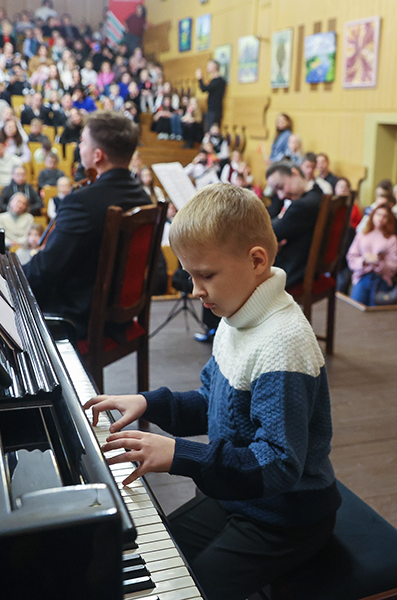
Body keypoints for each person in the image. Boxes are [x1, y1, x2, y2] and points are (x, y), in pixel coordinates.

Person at [83, 184, 340, 600]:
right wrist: (151, 402)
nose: (196, 290)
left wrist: (178, 454)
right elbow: (214, 404)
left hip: (285, 516)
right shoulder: (236, 313)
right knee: (147, 561)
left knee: (185, 591)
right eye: (190, 275)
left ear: (256, 261)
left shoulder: (283, 343)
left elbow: (277, 465)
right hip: (237, 495)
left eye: (206, 275)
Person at [23, 110, 150, 338]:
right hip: (118, 314)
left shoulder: (82, 202)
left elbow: (46, 270)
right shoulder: (143, 198)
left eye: (82, 142)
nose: (79, 147)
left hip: (77, 318)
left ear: (98, 155)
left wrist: (6, 279)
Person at [264, 162, 324, 290]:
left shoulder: (303, 206)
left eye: (280, 187)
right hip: (305, 266)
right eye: (276, 191)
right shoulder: (318, 193)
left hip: (293, 270)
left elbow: (268, 233)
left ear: (295, 173)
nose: (281, 196)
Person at [346, 204, 397, 306]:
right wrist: (364, 260)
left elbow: (394, 265)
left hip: (381, 279)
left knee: (376, 315)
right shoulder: (362, 235)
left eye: (385, 216)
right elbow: (351, 257)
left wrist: (378, 262)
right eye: (378, 214)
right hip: (362, 277)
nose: (380, 218)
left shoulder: (392, 239)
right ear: (373, 215)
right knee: (356, 309)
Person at [195, 59, 226, 132]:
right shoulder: (215, 81)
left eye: (209, 65)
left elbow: (204, 89)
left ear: (215, 66)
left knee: (211, 131)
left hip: (214, 111)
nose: (207, 67)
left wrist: (200, 78)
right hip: (212, 110)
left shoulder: (219, 81)